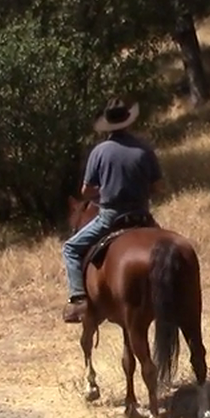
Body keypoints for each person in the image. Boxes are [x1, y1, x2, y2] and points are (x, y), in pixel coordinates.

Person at [61, 97, 163, 323]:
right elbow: (158, 187)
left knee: (70, 248)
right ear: (128, 121)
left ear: (108, 125)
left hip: (111, 217)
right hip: (142, 215)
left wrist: (104, 190)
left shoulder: (99, 152)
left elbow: (86, 191)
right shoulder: (144, 148)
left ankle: (79, 299)